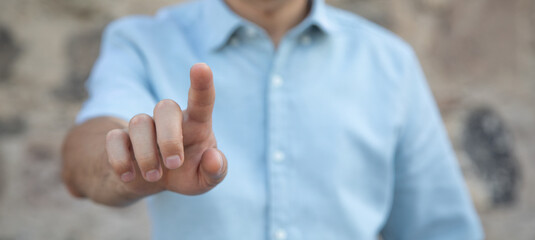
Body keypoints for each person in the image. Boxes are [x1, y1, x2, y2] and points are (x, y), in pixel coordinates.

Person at [61, 0, 484, 239]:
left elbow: (438, 229)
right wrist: (131, 165)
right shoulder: (143, 42)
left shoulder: (389, 63)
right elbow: (88, 151)